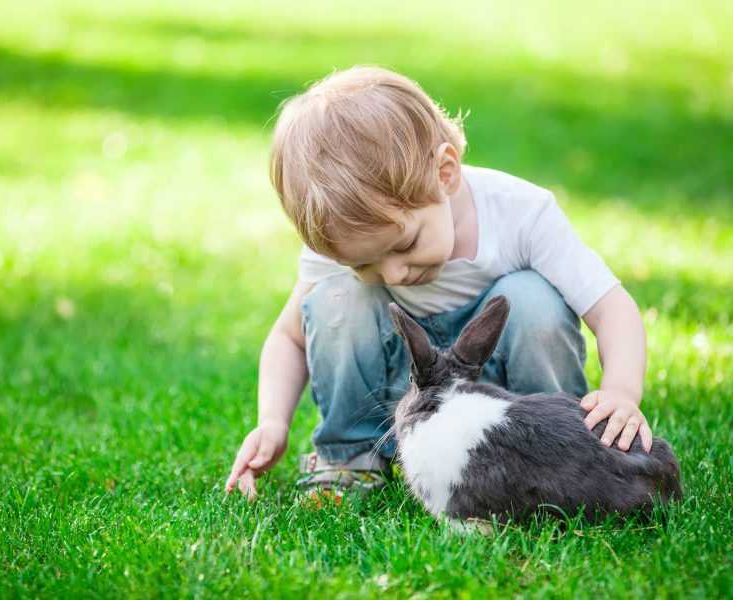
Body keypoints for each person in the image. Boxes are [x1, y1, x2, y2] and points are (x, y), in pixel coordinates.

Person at [225, 65, 651, 503]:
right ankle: (350, 461)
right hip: (404, 405)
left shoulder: (522, 214)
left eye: (405, 244)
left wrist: (620, 390)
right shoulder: (343, 236)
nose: (393, 274)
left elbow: (612, 308)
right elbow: (288, 337)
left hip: (514, 412)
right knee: (337, 298)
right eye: (364, 264)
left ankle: (548, 457)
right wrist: (273, 422)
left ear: (445, 173)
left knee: (532, 297)